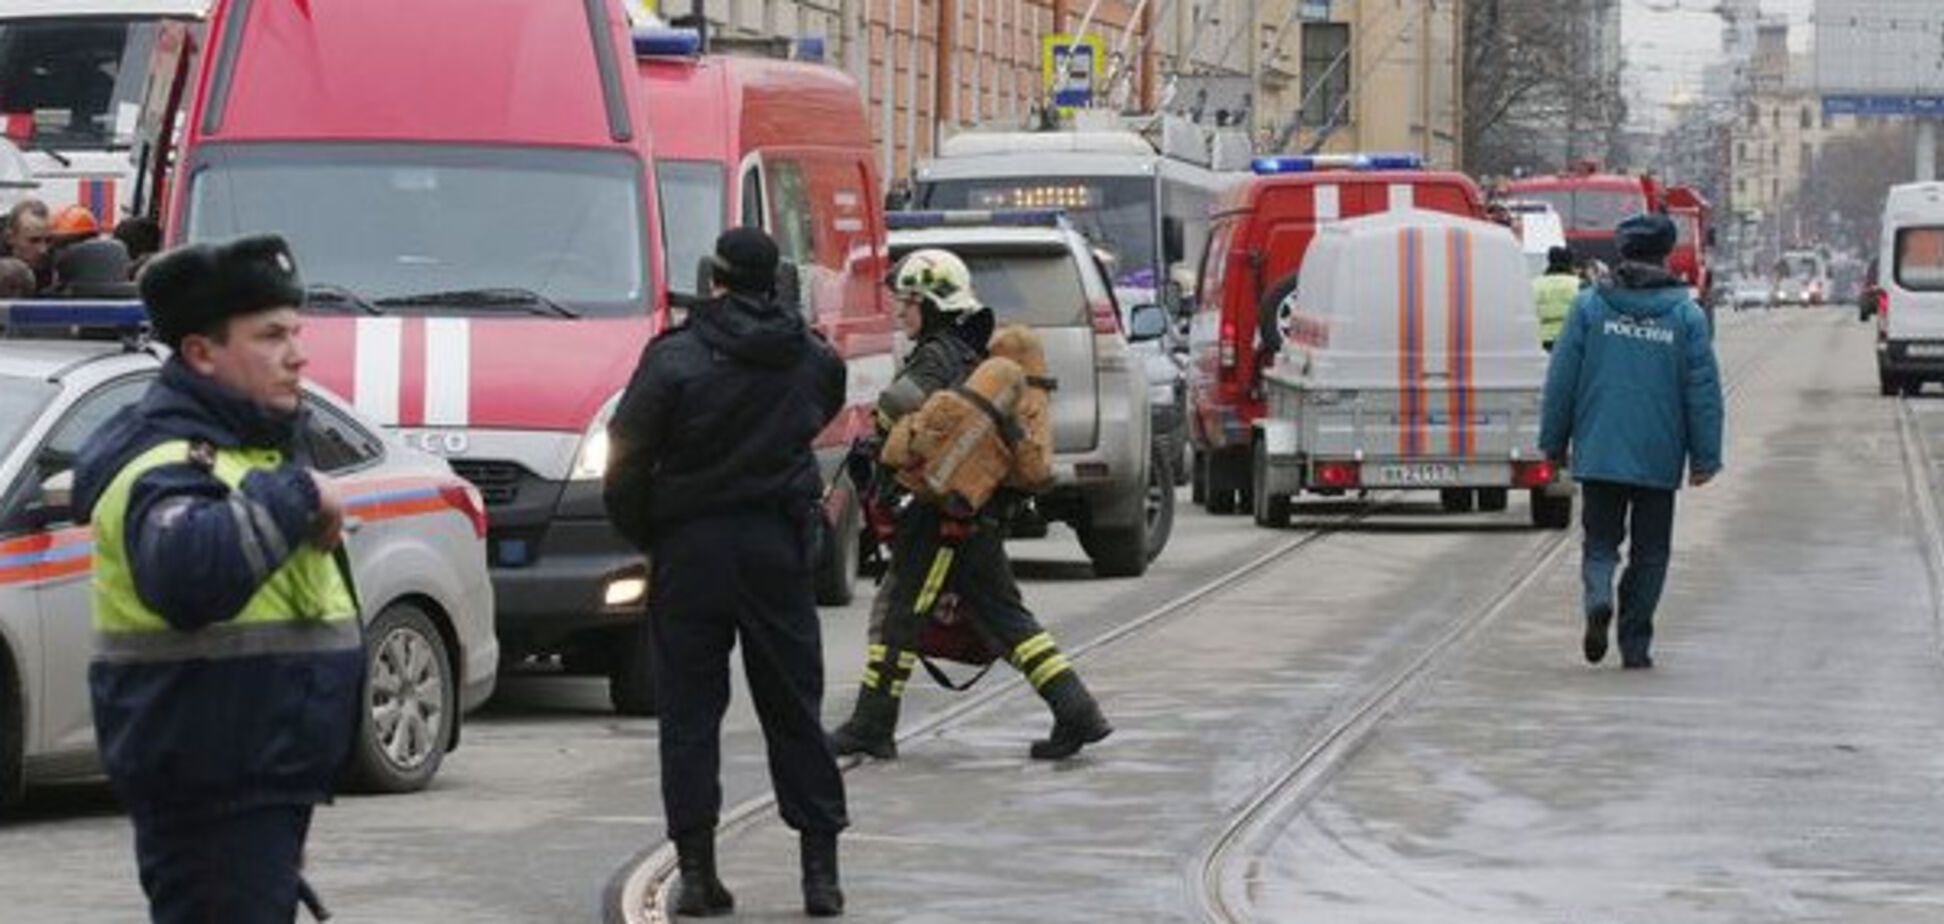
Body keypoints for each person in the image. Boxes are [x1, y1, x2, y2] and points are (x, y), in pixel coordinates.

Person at [71, 234, 361, 923]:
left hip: (257, 784)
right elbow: (189, 577)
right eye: (270, 336)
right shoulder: (165, 465)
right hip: (214, 790)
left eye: (296, 331)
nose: (298, 354)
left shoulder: (246, 452)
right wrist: (299, 495)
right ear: (201, 353)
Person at [603, 227, 849, 918]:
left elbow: (626, 456)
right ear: (775, 281)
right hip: (776, 543)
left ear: (715, 276)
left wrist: (652, 528)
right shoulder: (809, 358)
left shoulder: (675, 357)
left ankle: (698, 872)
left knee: (688, 714)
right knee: (794, 708)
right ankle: (819, 873)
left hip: (693, 549)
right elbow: (820, 409)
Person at [827, 249, 1112, 762]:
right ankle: (1077, 710)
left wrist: (879, 442)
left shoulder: (936, 356)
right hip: (968, 513)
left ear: (933, 305)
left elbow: (906, 417)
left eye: (909, 302)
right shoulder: (969, 353)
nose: (901, 312)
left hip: (940, 516)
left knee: (900, 614)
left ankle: (872, 723)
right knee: (1005, 619)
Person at [1539, 214, 1723, 670]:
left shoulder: (1590, 307)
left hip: (1600, 449)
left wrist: (1553, 442)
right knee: (1652, 552)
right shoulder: (1686, 315)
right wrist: (1705, 457)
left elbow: (1562, 380)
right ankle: (1635, 642)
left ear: (1622, 254)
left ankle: (1599, 596)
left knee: (1600, 544)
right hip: (1658, 456)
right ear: (1665, 255)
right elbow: (1702, 392)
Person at [1531, 246, 1581, 350]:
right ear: (1570, 262)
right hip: (1571, 339)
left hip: (1541, 340)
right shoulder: (1579, 284)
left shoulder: (1535, 284)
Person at [2, 199, 51, 290]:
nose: (43, 250)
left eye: (48, 241)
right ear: (10, 238)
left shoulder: (57, 270)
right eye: (34, 241)